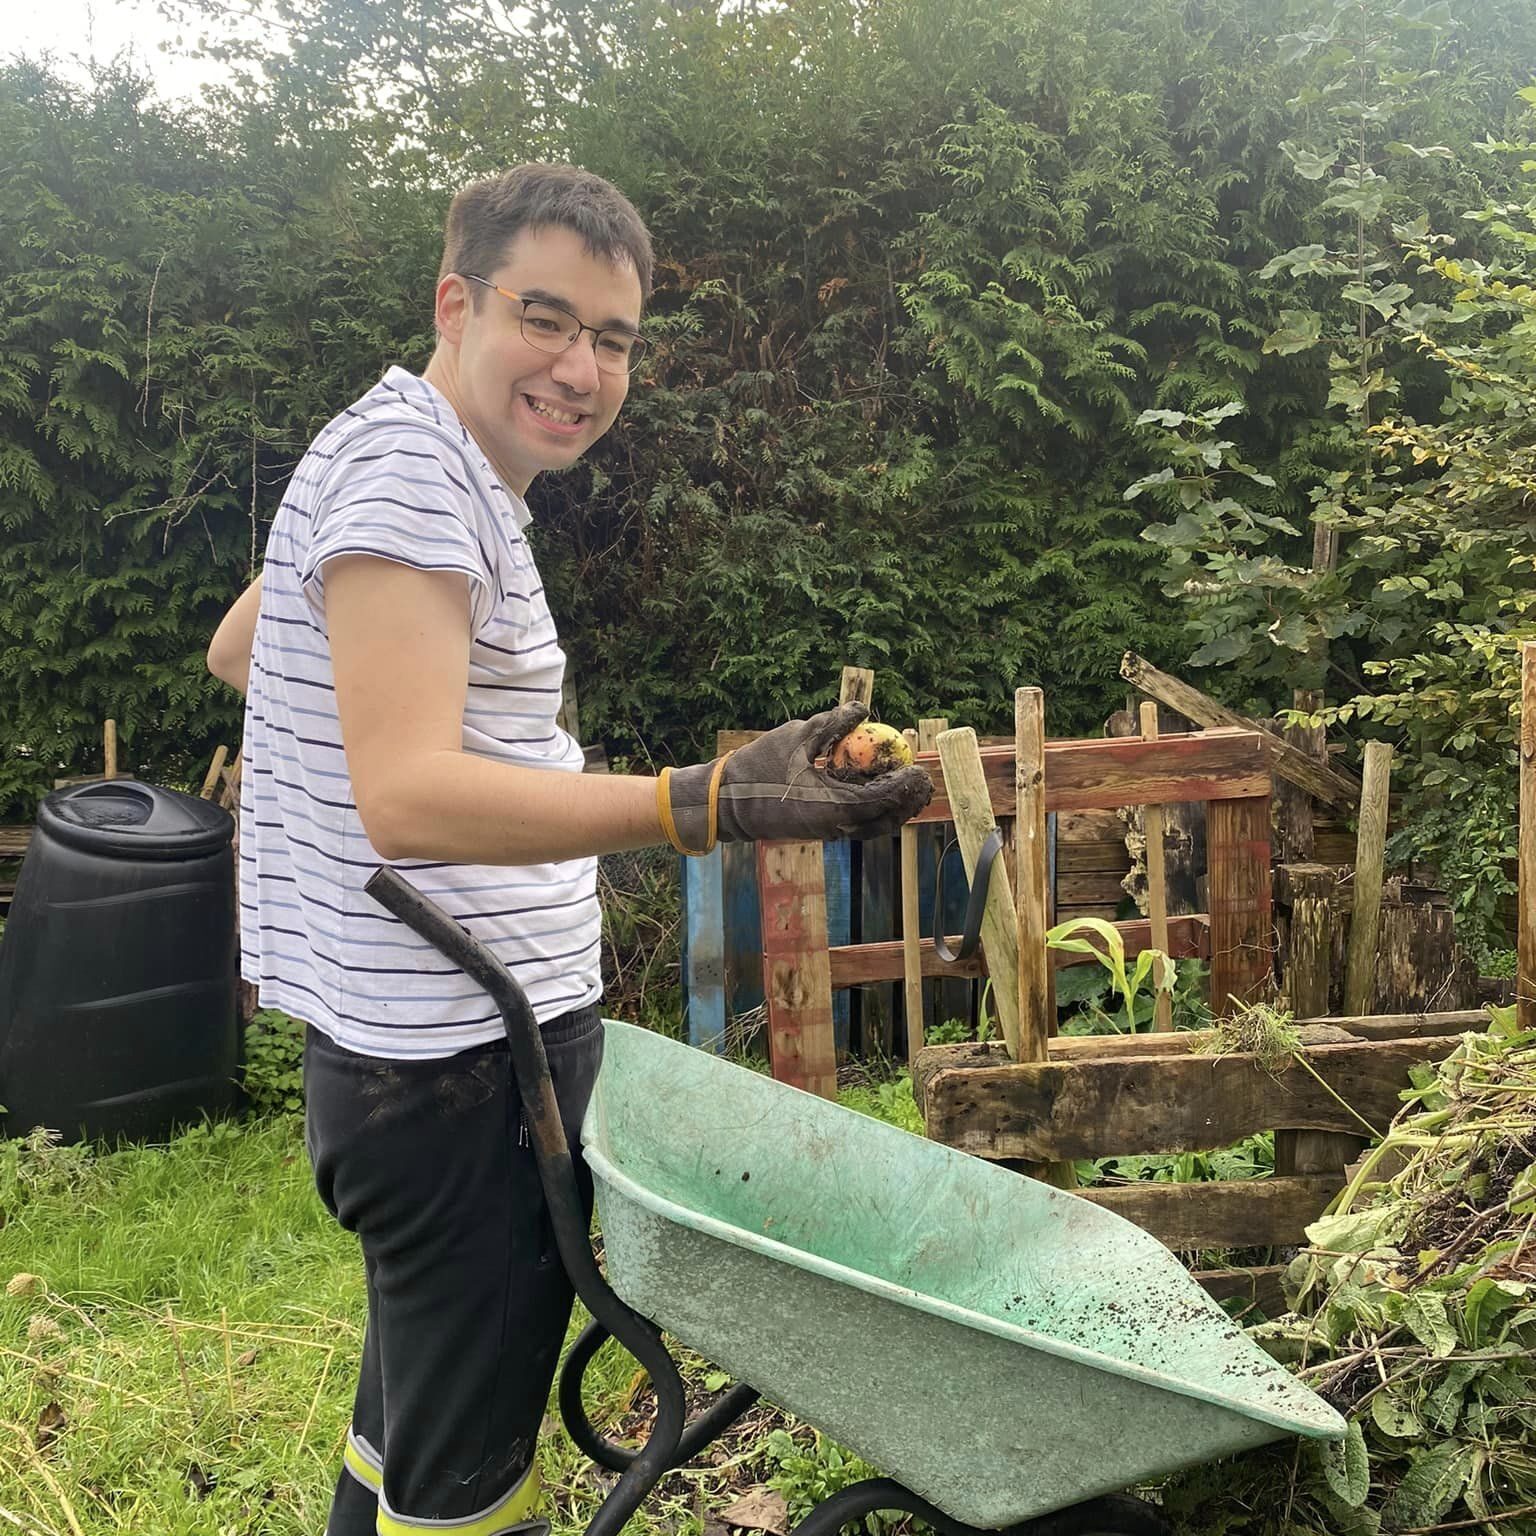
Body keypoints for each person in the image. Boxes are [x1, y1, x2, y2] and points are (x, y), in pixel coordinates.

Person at [205, 163, 932, 1536]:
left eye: (613, 338)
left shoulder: (394, 449)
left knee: (415, 1431)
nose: (580, 368)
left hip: (436, 1060)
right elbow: (408, 796)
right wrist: (697, 801)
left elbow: (247, 647)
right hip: (458, 1075)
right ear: (456, 299)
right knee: (471, 1489)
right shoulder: (415, 477)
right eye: (546, 319)